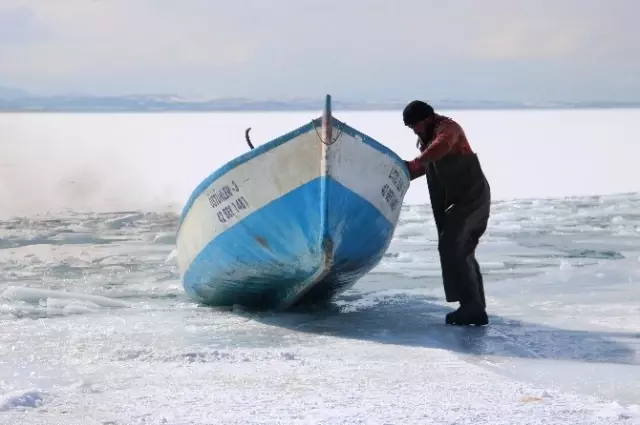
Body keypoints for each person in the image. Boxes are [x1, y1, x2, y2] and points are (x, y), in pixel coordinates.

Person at [402, 100, 491, 326]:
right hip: (456, 202)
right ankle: (473, 306)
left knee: (454, 245)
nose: (415, 130)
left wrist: (415, 163)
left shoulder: (448, 130)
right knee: (461, 248)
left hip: (471, 199)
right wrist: (402, 173)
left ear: (428, 118)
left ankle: (472, 307)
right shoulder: (428, 140)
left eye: (416, 125)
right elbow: (425, 166)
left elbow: (439, 148)